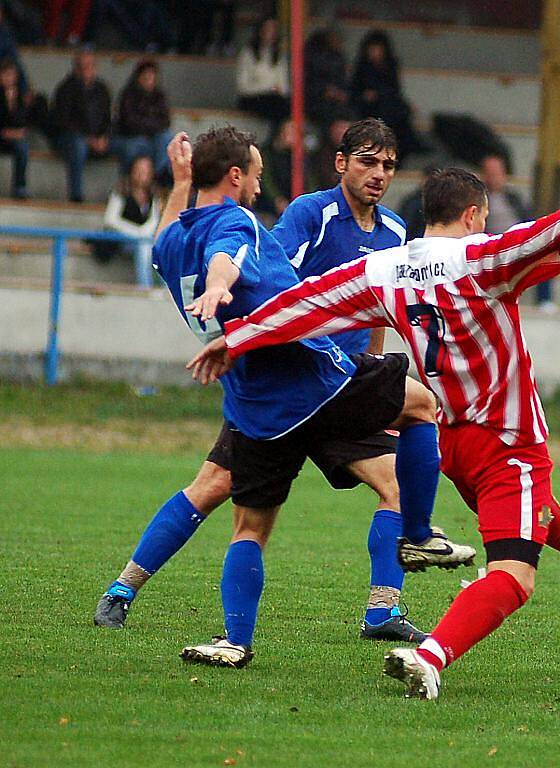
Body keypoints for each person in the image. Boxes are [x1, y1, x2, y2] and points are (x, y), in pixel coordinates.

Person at [188, 169, 560, 697]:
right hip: (507, 440)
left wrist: (239, 338)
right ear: (473, 214)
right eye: (484, 218)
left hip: (449, 444)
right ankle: (431, 656)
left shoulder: (385, 268)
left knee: (526, 505)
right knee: (514, 576)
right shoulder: (481, 259)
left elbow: (310, 301)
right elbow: (546, 236)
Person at [94, 127, 476, 666]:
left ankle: (266, 634)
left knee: (260, 520)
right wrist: (220, 286)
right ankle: (415, 535)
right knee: (422, 406)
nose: (259, 181)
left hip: (263, 400)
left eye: (388, 164)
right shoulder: (251, 219)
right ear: (236, 176)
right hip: (314, 379)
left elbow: (165, 238)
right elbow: (230, 256)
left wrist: (179, 182)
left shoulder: (176, 238)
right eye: (254, 171)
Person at [479, 152, 552, 308]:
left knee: (545, 253)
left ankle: (545, 300)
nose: (494, 177)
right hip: (491, 245)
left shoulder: (514, 198)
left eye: (497, 173)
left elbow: (529, 221)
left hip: (517, 241)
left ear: (504, 174)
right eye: (490, 173)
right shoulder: (478, 200)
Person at [349, 30, 427, 163]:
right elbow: (354, 92)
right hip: (369, 109)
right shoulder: (362, 68)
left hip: (388, 106)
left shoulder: (390, 67)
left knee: (399, 114)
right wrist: (366, 95)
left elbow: (394, 91)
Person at [51, 51, 112, 203]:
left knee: (130, 147)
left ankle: (127, 198)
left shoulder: (102, 89)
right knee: (78, 146)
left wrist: (104, 137)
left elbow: (107, 118)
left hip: (97, 139)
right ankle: (76, 195)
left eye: (89, 66)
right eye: (82, 66)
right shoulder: (65, 89)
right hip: (70, 139)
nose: (86, 70)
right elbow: (63, 121)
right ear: (75, 69)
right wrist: (89, 139)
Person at [99, 154, 160, 288]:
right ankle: (145, 287)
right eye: (139, 170)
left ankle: (164, 287)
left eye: (145, 171)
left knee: (158, 247)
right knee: (144, 247)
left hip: (144, 238)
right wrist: (135, 232)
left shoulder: (152, 194)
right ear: (132, 170)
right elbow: (110, 220)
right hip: (122, 239)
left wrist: (143, 233)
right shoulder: (121, 191)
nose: (141, 174)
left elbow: (154, 220)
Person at [114, 59, 172, 183]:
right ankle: (130, 179)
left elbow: (165, 121)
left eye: (152, 76)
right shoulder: (128, 95)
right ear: (139, 77)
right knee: (136, 145)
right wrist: (150, 126)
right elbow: (129, 122)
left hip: (154, 136)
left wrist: (149, 126)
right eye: (146, 76)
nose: (149, 79)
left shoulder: (160, 96)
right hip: (132, 136)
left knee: (167, 138)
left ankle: (158, 176)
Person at [235, 16, 289, 125]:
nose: (272, 33)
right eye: (268, 29)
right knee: (274, 105)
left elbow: (284, 84)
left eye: (274, 29)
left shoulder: (279, 55)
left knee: (284, 104)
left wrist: (278, 90)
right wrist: (268, 88)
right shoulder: (248, 53)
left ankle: (276, 136)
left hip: (274, 98)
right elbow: (243, 87)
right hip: (252, 97)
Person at [304, 29, 351, 126]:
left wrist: (342, 93)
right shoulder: (314, 58)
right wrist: (325, 90)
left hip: (337, 103)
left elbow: (344, 82)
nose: (338, 43)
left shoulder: (339, 58)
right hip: (317, 104)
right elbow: (310, 82)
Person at [0, 58, 29, 198]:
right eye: (6, 75)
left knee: (22, 147)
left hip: (11, 138)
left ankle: (20, 187)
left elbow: (22, 124)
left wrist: (11, 103)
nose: (9, 78)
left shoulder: (19, 97)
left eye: (11, 75)